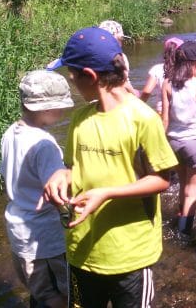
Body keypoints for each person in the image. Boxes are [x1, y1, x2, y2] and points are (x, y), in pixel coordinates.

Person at [42, 27, 178, 307]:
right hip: (82, 251)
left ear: (90, 76)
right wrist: (60, 174)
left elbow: (161, 179)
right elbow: (73, 168)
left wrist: (106, 193)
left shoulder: (143, 119)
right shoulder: (80, 119)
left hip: (129, 256)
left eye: (72, 74)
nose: (70, 80)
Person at [0, 70, 74, 308]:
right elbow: (57, 192)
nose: (64, 112)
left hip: (18, 226)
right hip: (44, 237)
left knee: (39, 292)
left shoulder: (11, 133)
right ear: (47, 108)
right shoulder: (44, 145)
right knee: (62, 296)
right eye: (61, 106)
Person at [162, 41, 196, 235]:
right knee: (192, 191)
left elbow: (165, 119)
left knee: (183, 185)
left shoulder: (167, 83)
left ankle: (180, 216)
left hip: (174, 142)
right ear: (194, 64)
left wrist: (162, 143)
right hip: (195, 141)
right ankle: (184, 232)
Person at [140, 37, 183, 114]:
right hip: (180, 112)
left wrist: (138, 106)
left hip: (162, 111)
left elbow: (146, 92)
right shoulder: (185, 70)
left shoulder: (157, 69)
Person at [98, 20, 139, 96]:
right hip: (119, 97)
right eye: (120, 39)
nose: (121, 43)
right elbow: (124, 82)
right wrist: (136, 97)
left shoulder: (94, 56)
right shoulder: (120, 57)